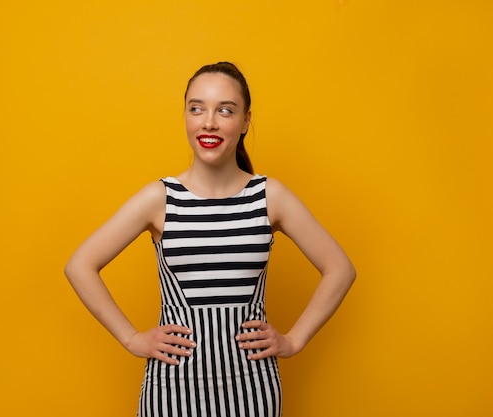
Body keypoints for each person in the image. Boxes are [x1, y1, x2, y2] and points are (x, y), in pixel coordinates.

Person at [64, 61, 356, 417]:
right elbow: (80, 265)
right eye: (196, 108)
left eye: (225, 110)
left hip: (253, 387)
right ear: (185, 116)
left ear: (246, 120)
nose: (209, 122)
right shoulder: (161, 198)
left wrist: (293, 340)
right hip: (171, 388)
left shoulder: (269, 196)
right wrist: (131, 338)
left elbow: (340, 269)